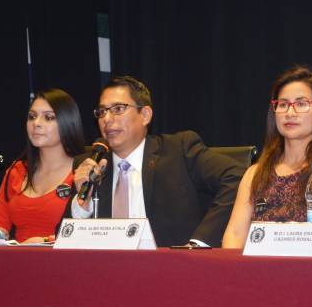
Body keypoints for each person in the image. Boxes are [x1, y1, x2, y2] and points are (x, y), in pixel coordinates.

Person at [66, 75, 243, 247]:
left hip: (171, 263)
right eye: (102, 112)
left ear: (145, 115)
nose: (107, 119)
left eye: (118, 109)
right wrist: (83, 203)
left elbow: (235, 176)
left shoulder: (179, 151)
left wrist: (200, 242)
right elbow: (64, 238)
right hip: (107, 265)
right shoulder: (91, 165)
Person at [222, 67, 312, 248]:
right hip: (256, 265)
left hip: (311, 265)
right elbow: (234, 235)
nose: (290, 113)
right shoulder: (255, 173)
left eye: (301, 104)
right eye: (283, 104)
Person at [0, 89, 85, 243]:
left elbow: (88, 235)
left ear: (67, 122)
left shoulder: (83, 171)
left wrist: (43, 243)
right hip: (17, 256)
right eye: (32, 117)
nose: (36, 123)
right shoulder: (16, 170)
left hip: (63, 256)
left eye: (48, 117)